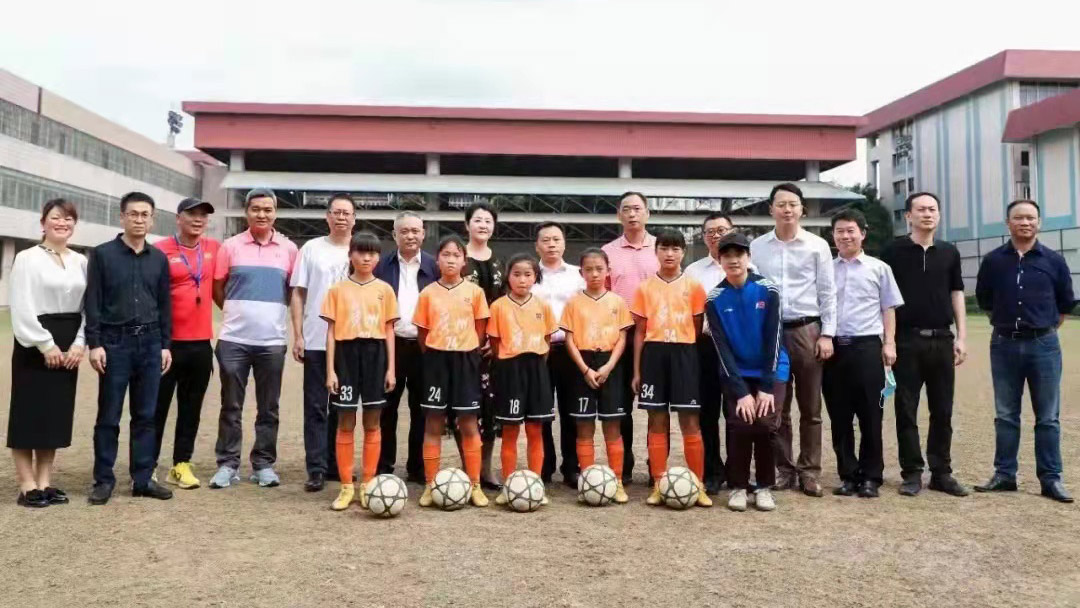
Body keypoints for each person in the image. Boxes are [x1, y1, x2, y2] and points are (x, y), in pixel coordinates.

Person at [975, 199, 1075, 503]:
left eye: (1031, 218)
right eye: (1019, 218)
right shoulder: (993, 261)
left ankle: (1051, 478)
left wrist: (1040, 328)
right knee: (1006, 414)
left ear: (1039, 223)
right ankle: (1005, 474)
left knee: (1047, 417)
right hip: (1004, 344)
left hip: (1043, 345)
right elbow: (985, 301)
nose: (1025, 222)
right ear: (1008, 223)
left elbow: (1065, 304)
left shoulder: (1054, 261)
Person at [85, 191, 174, 505]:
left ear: (152, 219)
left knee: (146, 415)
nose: (139, 220)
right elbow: (92, 302)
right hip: (114, 343)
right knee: (109, 415)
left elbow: (165, 305)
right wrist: (94, 344)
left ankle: (142, 478)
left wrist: (165, 345)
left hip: (150, 344)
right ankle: (103, 480)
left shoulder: (159, 259)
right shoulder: (102, 255)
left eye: (145, 214)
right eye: (133, 214)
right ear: (122, 217)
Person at [880, 192, 971, 497]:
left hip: (942, 340)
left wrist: (962, 336)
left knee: (942, 410)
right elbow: (885, 301)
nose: (927, 214)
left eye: (932, 209)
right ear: (908, 216)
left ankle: (941, 472)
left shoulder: (949, 252)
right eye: (920, 209)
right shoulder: (892, 252)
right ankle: (912, 472)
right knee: (906, 409)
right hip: (906, 340)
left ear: (939, 215)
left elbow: (957, 293)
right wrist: (888, 341)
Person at [749, 182, 836, 497]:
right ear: (771, 209)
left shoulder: (817, 246)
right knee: (776, 408)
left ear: (802, 209)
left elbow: (828, 292)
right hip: (771, 333)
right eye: (781, 204)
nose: (787, 209)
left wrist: (827, 333)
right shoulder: (757, 247)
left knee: (811, 408)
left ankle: (810, 471)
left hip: (807, 330)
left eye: (793, 204)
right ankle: (783, 470)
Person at [209, 188, 298, 489]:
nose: (262, 214)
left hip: (272, 341)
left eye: (268, 209)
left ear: (276, 213)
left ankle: (263, 464)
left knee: (268, 407)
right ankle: (227, 463)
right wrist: (237, 312)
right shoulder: (230, 246)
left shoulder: (288, 249)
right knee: (230, 405)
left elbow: (291, 292)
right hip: (234, 340)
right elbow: (218, 287)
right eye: (256, 209)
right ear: (247, 212)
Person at [8, 199, 87, 508]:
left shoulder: (81, 261)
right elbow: (22, 304)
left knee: (55, 415)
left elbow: (87, 308)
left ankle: (45, 483)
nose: (62, 223)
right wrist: (45, 343)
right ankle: (27, 485)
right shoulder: (27, 258)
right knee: (29, 414)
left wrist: (79, 343)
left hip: (69, 343)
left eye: (68, 218)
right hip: (35, 343)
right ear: (43, 222)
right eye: (56, 217)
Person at [703, 232, 788, 512]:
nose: (733, 260)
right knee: (740, 424)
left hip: (770, 369)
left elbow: (774, 338)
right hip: (735, 373)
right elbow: (722, 349)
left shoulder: (768, 290)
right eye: (727, 255)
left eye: (739, 254)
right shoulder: (714, 299)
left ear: (748, 258)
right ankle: (738, 486)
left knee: (764, 424)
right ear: (720, 260)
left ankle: (764, 486)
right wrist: (740, 393)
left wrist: (765, 386)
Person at [823, 209, 904, 499]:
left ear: (863, 233)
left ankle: (871, 476)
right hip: (833, 349)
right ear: (833, 236)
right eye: (839, 231)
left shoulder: (879, 268)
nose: (845, 236)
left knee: (871, 415)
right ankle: (848, 475)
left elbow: (889, 308)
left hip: (868, 347)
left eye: (850, 230)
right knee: (840, 417)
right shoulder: (826, 269)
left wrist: (889, 343)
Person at [631, 228, 711, 508]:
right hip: (654, 355)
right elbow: (640, 331)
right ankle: (658, 482)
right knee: (656, 420)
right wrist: (637, 371)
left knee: (689, 421)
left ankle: (698, 484)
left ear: (683, 252)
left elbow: (698, 328)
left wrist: (689, 358)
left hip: (684, 354)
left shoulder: (694, 286)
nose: (669, 253)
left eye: (675, 249)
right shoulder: (644, 288)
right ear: (656, 251)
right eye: (664, 248)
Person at [322, 232, 399, 511]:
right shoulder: (337, 290)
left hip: (375, 355)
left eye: (372, 253)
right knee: (345, 421)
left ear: (378, 257)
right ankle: (345, 487)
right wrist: (330, 370)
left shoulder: (385, 290)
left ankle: (367, 483)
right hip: (346, 355)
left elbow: (390, 330)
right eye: (361, 252)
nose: (366, 258)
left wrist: (391, 368)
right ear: (350, 255)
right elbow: (330, 332)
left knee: (372, 422)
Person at [414, 236, 491, 508]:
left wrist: (466, 350)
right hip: (436, 361)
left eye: (456, 255)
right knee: (433, 423)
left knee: (469, 423)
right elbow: (422, 334)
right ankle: (430, 483)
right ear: (437, 260)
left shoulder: (475, 293)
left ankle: (475, 484)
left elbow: (481, 331)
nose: (450, 259)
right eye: (445, 254)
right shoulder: (427, 294)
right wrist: (439, 351)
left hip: (466, 361)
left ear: (463, 261)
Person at [152, 197, 220, 490]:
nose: (198, 219)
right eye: (192, 214)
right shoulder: (159, 251)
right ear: (178, 217)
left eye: (203, 215)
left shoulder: (215, 249)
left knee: (191, 409)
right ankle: (147, 464)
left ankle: (181, 464)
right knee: (156, 409)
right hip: (167, 345)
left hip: (200, 344)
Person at [290, 193, 355, 492]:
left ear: (355, 218)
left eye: (347, 213)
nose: (341, 217)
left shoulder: (361, 250)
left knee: (344, 406)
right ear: (327, 216)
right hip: (316, 338)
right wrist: (299, 334)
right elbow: (298, 293)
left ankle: (336, 463)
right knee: (316, 405)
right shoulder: (312, 249)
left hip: (352, 340)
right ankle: (315, 468)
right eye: (336, 212)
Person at [560, 248, 633, 504]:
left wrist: (609, 366)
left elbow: (623, 337)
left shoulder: (617, 301)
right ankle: (588, 481)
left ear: (608, 272)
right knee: (584, 426)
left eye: (599, 269)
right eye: (589, 269)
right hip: (583, 363)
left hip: (609, 365)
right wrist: (585, 369)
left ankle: (618, 481)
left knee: (612, 426)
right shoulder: (573, 302)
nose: (594, 274)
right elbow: (568, 338)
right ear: (581, 273)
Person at [375, 211, 439, 483]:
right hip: (391, 347)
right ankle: (383, 465)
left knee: (422, 409)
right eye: (404, 231)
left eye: (415, 230)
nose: (410, 236)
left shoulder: (435, 266)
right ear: (394, 235)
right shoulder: (381, 265)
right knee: (385, 409)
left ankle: (418, 467)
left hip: (425, 348)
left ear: (423, 233)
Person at [488, 254, 558, 507]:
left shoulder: (543, 306)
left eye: (528, 274)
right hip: (509, 369)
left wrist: (536, 361)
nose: (522, 279)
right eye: (516, 274)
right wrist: (509, 362)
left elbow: (548, 341)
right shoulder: (498, 307)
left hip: (537, 368)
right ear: (508, 276)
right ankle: (509, 486)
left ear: (535, 277)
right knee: (510, 429)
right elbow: (495, 344)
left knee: (535, 429)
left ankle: (535, 484)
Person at [602, 191, 659, 484]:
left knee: (655, 407)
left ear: (647, 213)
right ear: (619, 215)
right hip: (619, 338)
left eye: (638, 208)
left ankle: (655, 467)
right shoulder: (607, 252)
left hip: (655, 338)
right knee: (620, 405)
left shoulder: (661, 250)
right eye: (627, 209)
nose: (632, 214)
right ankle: (622, 467)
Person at [531, 221, 586, 486]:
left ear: (564, 243)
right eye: (545, 240)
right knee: (541, 410)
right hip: (538, 350)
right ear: (536, 245)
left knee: (571, 410)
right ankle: (544, 465)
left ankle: (572, 467)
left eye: (556, 239)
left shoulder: (579, 275)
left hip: (570, 349)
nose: (551, 244)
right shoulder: (528, 274)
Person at [684, 212, 735, 495]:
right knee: (707, 413)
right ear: (703, 237)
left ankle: (737, 469)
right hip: (704, 346)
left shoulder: (747, 267)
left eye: (722, 230)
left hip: (738, 348)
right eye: (710, 232)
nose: (716, 236)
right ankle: (712, 470)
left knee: (736, 412)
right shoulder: (692, 271)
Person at [462, 201, 504, 490]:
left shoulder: (500, 262)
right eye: (477, 220)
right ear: (467, 225)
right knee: (466, 410)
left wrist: (494, 338)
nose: (483, 225)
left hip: (493, 348)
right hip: (462, 346)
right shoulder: (457, 257)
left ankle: (487, 470)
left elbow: (502, 305)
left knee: (490, 411)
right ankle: (468, 470)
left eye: (488, 221)